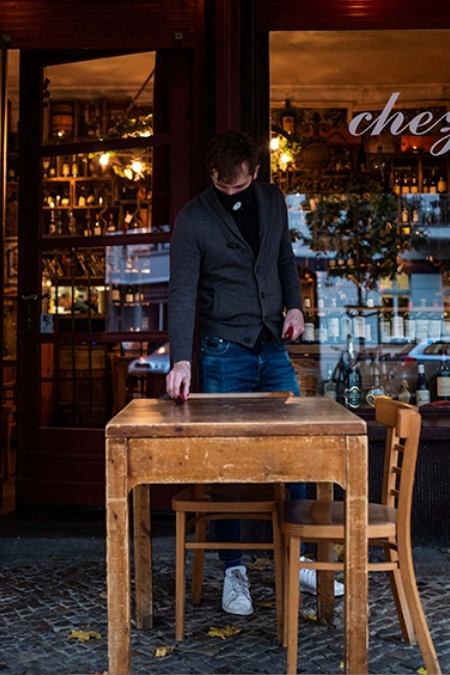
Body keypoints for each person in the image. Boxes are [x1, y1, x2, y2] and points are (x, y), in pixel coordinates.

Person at [165, 131, 342, 617]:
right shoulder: (192, 220)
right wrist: (181, 358)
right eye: (224, 189)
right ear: (213, 176)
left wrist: (296, 307)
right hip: (224, 349)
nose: (232, 195)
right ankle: (234, 569)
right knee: (228, 463)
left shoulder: (274, 201)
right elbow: (182, 293)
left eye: (240, 188)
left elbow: (284, 259)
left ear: (256, 173)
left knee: (300, 451)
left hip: (273, 347)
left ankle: (302, 557)